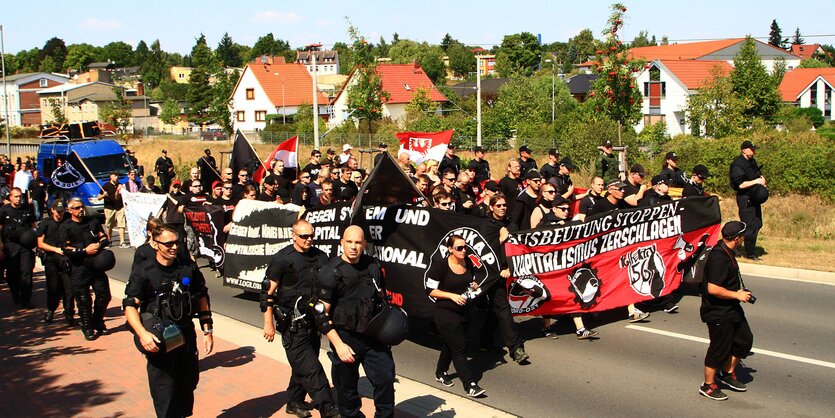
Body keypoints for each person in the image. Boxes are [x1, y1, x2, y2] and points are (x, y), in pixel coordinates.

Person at [124, 225, 214, 417]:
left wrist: (207, 331)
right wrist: (143, 334)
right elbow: (130, 305)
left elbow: (201, 297)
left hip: (185, 333)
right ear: (156, 244)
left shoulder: (187, 267)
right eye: (168, 244)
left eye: (177, 242)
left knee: (188, 383)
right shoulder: (144, 271)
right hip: (161, 336)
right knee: (165, 389)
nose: (174, 247)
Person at [262, 220, 340, 418]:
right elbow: (267, 293)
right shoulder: (282, 259)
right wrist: (268, 323)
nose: (308, 239)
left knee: (303, 367)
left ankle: (294, 402)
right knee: (313, 370)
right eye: (304, 236)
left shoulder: (321, 257)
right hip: (292, 328)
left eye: (311, 235)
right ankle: (329, 410)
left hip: (313, 324)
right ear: (293, 235)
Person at [318, 226, 396, 418]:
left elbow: (382, 299)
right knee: (346, 391)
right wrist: (339, 345)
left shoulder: (373, 266)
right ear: (342, 243)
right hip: (345, 338)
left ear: (364, 244)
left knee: (385, 379)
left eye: (358, 242)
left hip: (373, 337)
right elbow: (320, 314)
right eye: (349, 242)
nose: (353, 247)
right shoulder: (331, 272)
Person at [699, 221, 754, 401]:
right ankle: (707, 386)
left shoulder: (727, 251)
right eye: (743, 236)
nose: (744, 238)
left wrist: (738, 294)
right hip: (717, 312)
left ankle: (727, 373)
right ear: (737, 239)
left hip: (731, 308)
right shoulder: (718, 258)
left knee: (744, 340)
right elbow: (713, 289)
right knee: (719, 349)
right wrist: (736, 295)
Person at [427, 235, 486, 397]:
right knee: (460, 348)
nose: (463, 250)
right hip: (445, 313)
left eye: (465, 247)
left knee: (450, 343)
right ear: (450, 249)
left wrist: (473, 285)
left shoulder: (467, 263)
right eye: (459, 248)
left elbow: (469, 282)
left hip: (464, 312)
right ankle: (470, 385)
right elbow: (430, 290)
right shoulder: (440, 266)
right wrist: (451, 296)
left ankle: (440, 372)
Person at [483, 194, 530, 364]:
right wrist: (501, 239)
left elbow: (517, 248)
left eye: (504, 205)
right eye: (499, 205)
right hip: (490, 274)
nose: (502, 208)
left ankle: (485, 340)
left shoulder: (511, 224)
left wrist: (510, 268)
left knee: (495, 309)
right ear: (492, 207)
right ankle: (515, 348)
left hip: (506, 272)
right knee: (503, 309)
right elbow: (484, 250)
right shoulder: (486, 225)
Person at [60, 198, 111, 340]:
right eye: (76, 208)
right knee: (83, 300)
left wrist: (98, 246)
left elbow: (104, 238)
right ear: (70, 210)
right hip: (78, 268)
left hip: (96, 266)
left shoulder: (92, 222)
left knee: (104, 296)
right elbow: (65, 248)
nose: (80, 210)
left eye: (81, 207)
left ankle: (98, 321)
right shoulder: (66, 227)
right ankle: (87, 326)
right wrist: (84, 251)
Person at [37, 200, 74, 324]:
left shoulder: (68, 221)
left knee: (68, 289)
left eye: (62, 211)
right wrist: (56, 250)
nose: (60, 214)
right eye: (58, 211)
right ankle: (51, 310)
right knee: (54, 288)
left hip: (66, 260)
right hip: (51, 260)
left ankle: (69, 313)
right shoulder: (46, 223)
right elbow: (40, 243)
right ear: (52, 210)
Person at [0, 187, 37, 308]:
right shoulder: (4, 210)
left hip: (25, 245)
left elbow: (33, 225)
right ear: (10, 197)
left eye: (20, 196)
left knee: (26, 272)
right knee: (12, 273)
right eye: (16, 196)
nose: (18, 199)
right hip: (10, 244)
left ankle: (27, 300)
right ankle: (15, 292)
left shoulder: (27, 209)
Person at [730, 141, 767, 261]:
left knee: (757, 224)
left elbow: (757, 175)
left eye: (754, 149)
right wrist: (756, 181)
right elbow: (740, 185)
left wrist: (762, 180)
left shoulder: (752, 162)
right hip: (745, 199)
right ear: (744, 150)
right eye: (751, 149)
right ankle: (734, 247)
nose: (753, 151)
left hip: (754, 197)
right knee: (748, 227)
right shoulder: (737, 165)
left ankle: (750, 252)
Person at [100, 172, 128, 247]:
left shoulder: (120, 185)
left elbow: (118, 197)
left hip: (119, 207)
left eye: (117, 176)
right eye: (115, 176)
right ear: (111, 177)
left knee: (121, 224)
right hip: (109, 208)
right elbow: (98, 197)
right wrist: (103, 195)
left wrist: (120, 190)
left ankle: (122, 241)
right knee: (109, 225)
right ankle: (109, 240)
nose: (116, 177)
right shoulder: (106, 186)